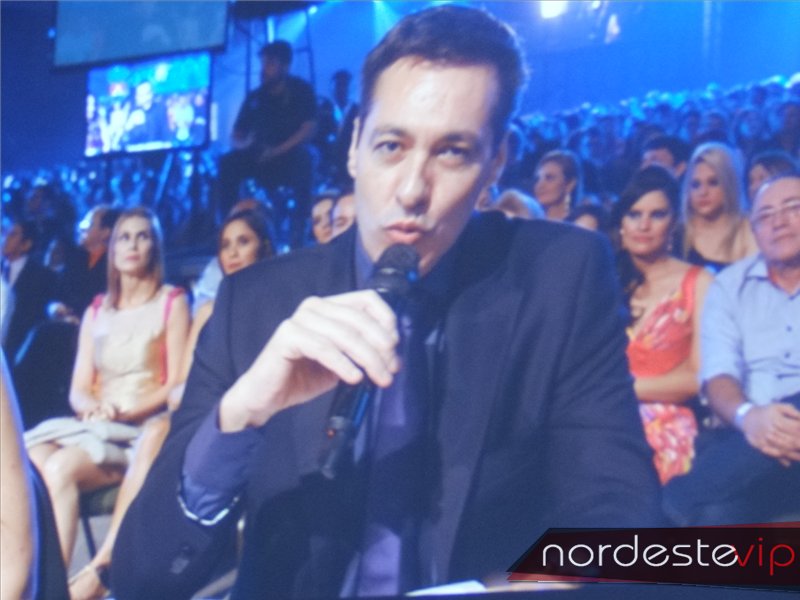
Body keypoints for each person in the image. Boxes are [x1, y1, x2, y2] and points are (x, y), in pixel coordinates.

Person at [113, 7, 661, 599]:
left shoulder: (558, 276)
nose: (411, 189)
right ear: (354, 146)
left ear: (496, 162)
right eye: (391, 146)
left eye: (452, 152)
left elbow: (619, 520)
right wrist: (240, 416)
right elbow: (143, 578)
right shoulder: (255, 303)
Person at [68, 209, 272, 600]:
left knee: (159, 432)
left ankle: (107, 565)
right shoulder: (209, 311)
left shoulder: (182, 302)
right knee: (47, 461)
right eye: (225, 245)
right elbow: (184, 385)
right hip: (180, 413)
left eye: (243, 242)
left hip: (231, 421)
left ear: (263, 246)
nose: (232, 253)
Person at [24, 207, 189, 580]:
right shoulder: (98, 310)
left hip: (140, 432)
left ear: (155, 246)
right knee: (33, 457)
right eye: (124, 237)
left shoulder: (172, 301)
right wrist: (94, 407)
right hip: (97, 425)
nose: (133, 245)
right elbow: (78, 389)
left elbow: (175, 384)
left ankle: (53, 586)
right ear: (112, 249)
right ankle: (28, 574)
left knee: (61, 467)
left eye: (143, 236)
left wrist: (125, 412)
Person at [664, 172, 800, 524]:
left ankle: (670, 505)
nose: (779, 223)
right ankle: (681, 506)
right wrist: (749, 417)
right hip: (750, 443)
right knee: (715, 514)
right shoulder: (728, 287)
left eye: (792, 208)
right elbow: (718, 374)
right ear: (754, 230)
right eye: (766, 215)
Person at [612, 166, 713, 484]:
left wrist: (623, 388)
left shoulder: (700, 282)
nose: (643, 225)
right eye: (634, 214)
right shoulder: (601, 278)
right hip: (603, 418)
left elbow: (699, 378)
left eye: (657, 215)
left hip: (667, 424)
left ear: (674, 223)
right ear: (621, 222)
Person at [217, 41, 317, 244]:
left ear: (285, 66)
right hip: (258, 157)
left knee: (305, 158)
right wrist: (245, 145)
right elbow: (236, 134)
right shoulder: (255, 97)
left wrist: (278, 150)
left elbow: (308, 129)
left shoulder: (301, 91)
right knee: (227, 163)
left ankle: (299, 226)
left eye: (270, 64)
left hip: (287, 155)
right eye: (263, 64)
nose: (264, 69)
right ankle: (228, 223)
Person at [679, 142, 758, 273]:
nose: (703, 192)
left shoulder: (751, 231)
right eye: (695, 185)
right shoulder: (677, 235)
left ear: (729, 184)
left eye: (713, 183)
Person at [1, 218, 56, 362]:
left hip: (19, 355)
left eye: (12, 235)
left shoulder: (43, 277)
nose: (4, 239)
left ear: (26, 244)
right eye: (4, 233)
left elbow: (35, 318)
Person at [532, 149, 582, 221]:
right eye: (538, 179)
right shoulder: (527, 220)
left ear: (570, 184)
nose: (539, 186)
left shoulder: (581, 224)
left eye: (549, 178)